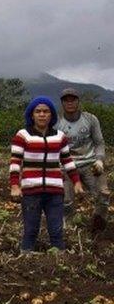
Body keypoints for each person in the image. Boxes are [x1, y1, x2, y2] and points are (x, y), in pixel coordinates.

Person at [10, 97, 83, 252]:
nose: (42, 114)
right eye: (38, 111)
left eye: (46, 111)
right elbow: (15, 163)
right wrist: (15, 186)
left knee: (56, 230)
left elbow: (67, 161)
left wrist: (76, 182)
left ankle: (59, 261)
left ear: (52, 115)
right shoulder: (23, 135)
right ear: (32, 115)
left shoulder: (59, 136)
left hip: (55, 191)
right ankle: (26, 258)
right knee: (30, 230)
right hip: (31, 191)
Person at [56, 87, 109, 232]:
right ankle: (69, 228)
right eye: (66, 100)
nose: (70, 103)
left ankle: (99, 226)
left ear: (78, 101)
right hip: (66, 166)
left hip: (90, 163)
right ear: (62, 103)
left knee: (103, 195)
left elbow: (99, 142)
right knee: (66, 200)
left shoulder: (90, 119)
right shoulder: (57, 123)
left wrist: (99, 160)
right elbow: (53, 148)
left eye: (73, 99)